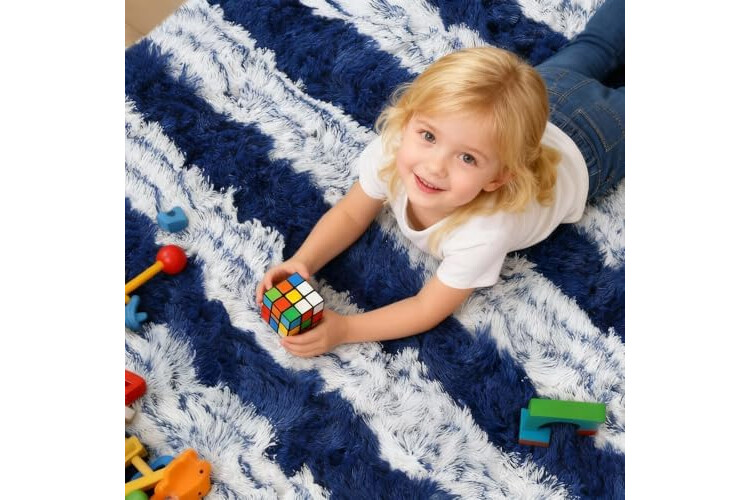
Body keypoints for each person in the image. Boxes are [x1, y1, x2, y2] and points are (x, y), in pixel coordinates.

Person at [255, 0, 625, 357]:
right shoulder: (394, 150)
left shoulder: (484, 232)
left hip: (593, 144)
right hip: (538, 102)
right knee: (596, 44)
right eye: (429, 136)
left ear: (498, 179)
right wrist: (303, 262)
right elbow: (351, 212)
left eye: (467, 158)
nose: (434, 167)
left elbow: (426, 307)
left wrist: (346, 329)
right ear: (407, 119)